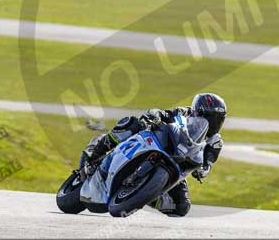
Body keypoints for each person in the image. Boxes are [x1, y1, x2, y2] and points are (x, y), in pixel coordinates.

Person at [85, 92, 227, 217]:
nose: (213, 122)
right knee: (132, 123)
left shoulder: (215, 141)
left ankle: (146, 194)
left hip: (176, 166)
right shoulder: (184, 113)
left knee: (181, 207)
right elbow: (163, 113)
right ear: (198, 112)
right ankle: (96, 151)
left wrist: (204, 169)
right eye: (209, 116)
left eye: (217, 118)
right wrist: (154, 116)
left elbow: (209, 161)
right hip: (158, 145)